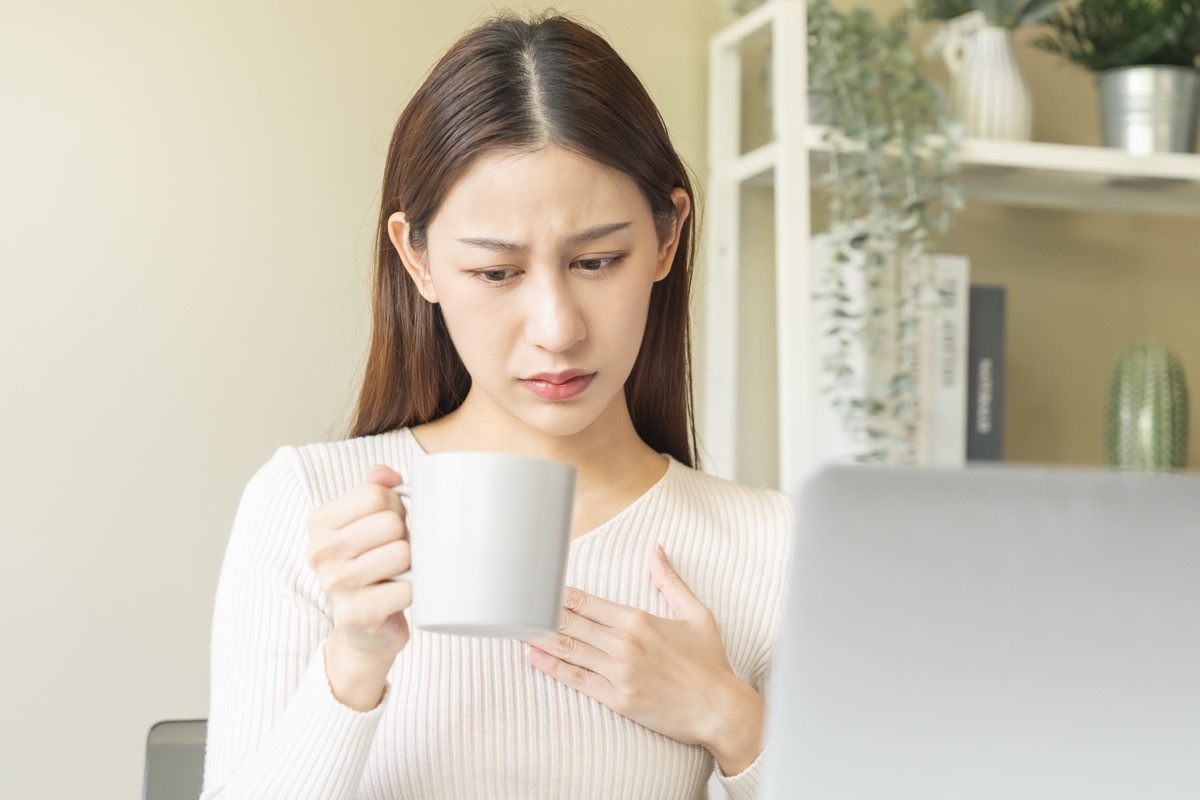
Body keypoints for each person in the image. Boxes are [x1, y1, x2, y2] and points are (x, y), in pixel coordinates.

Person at [202, 11, 792, 800]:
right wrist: (352, 666)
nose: (557, 329)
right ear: (417, 258)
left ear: (666, 238)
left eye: (597, 261)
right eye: (496, 273)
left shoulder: (768, 545)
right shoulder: (309, 506)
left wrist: (733, 721)